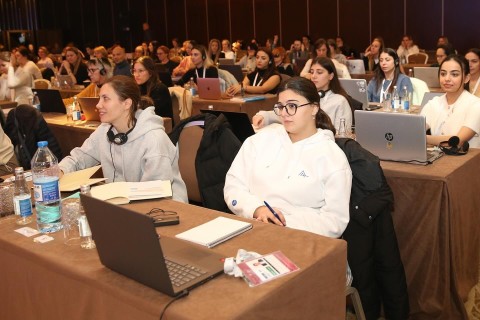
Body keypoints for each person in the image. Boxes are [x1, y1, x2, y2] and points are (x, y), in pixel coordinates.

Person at [224, 77, 352, 238]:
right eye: (281, 107)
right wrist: (257, 209)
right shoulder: (259, 140)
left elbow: (334, 222)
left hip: (300, 240)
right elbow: (233, 186)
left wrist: (283, 223)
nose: (284, 113)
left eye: (292, 106)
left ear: (314, 108)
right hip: (252, 229)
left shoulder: (331, 156)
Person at [59, 75, 188, 202]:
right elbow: (79, 157)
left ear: (126, 103)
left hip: (167, 210)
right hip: (123, 205)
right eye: (99, 98)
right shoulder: (105, 130)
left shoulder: (154, 138)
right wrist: (59, 170)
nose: (98, 105)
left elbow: (154, 194)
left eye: (105, 99)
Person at [253, 57, 353, 133]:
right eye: (312, 72)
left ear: (331, 76)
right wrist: (264, 116)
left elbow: (343, 134)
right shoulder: (302, 96)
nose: (313, 76)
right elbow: (284, 112)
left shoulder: (339, 101)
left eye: (319, 72)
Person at [421, 55, 480, 148]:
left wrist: (423, 138)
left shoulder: (476, 105)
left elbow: (457, 141)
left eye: (454, 74)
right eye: (443, 74)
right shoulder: (434, 103)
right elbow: (415, 131)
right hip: (436, 158)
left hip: (466, 160)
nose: (447, 79)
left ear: (467, 78)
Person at [132, 56, 173, 122]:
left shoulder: (160, 89)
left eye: (140, 71)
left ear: (150, 72)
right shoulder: (136, 88)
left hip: (160, 127)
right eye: (134, 71)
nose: (136, 75)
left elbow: (152, 115)